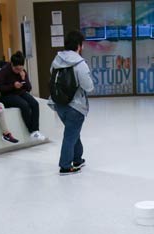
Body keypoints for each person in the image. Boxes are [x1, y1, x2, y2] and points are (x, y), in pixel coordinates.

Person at [48, 30, 94, 175]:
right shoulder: (80, 63)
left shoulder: (56, 60)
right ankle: (65, 165)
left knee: (73, 131)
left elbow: (52, 76)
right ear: (79, 46)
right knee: (70, 135)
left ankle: (77, 159)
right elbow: (88, 86)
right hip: (75, 105)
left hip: (59, 104)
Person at [0, 51, 45, 140]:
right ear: (12, 64)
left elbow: (29, 88)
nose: (18, 71)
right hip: (7, 96)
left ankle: (35, 130)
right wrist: (13, 86)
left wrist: (23, 79)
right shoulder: (4, 71)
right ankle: (32, 130)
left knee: (34, 103)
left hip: (20, 92)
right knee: (24, 105)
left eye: (20, 69)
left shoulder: (22, 72)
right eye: (16, 69)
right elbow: (1, 88)